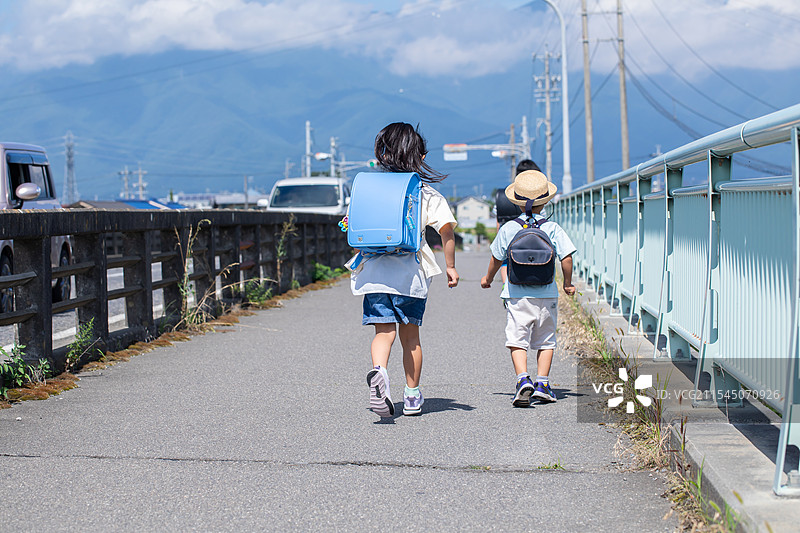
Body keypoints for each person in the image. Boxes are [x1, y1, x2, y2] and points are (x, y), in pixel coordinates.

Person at [346, 122, 459, 418]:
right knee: (411, 338)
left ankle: (380, 374)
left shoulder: (368, 188)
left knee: (383, 334)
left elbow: (352, 226)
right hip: (411, 277)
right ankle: (411, 397)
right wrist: (450, 266)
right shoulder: (425, 193)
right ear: (418, 157)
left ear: (382, 154)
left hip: (374, 275)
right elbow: (447, 232)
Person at [480, 169, 576, 407]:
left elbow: (495, 258)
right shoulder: (552, 228)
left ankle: (523, 379)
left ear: (517, 202)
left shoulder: (509, 228)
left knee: (517, 339)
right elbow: (567, 258)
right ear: (546, 201)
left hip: (516, 293)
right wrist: (567, 282)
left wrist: (488, 278)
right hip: (547, 293)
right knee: (546, 340)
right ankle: (543, 383)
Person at [494, 159, 543, 284]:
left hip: (510, 233)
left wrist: (499, 233)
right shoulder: (540, 196)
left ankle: (507, 286)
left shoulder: (505, 195)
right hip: (536, 235)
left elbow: (498, 218)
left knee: (505, 261)